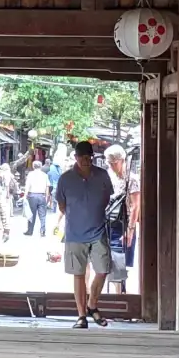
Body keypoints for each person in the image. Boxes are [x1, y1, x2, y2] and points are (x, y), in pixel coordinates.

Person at [53, 139, 117, 328]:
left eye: (89, 157)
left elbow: (106, 199)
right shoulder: (65, 179)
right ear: (76, 158)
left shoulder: (103, 175)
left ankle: (92, 304)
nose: (86, 161)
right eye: (83, 157)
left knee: (103, 269)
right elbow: (62, 206)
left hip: (98, 230)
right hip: (74, 233)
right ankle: (81, 315)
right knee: (78, 273)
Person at [101, 144, 133, 296]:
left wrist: (130, 229)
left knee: (118, 259)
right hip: (108, 223)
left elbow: (136, 207)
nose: (111, 166)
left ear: (121, 160)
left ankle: (119, 295)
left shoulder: (131, 179)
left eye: (113, 163)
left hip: (122, 224)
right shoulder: (109, 176)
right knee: (108, 259)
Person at [23, 159, 51, 238]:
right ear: (41, 166)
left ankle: (30, 231)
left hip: (32, 196)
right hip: (42, 196)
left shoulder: (30, 174)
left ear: (33, 166)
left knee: (31, 214)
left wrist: (25, 196)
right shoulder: (44, 175)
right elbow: (47, 187)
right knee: (42, 215)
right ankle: (42, 231)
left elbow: (27, 186)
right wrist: (46, 196)